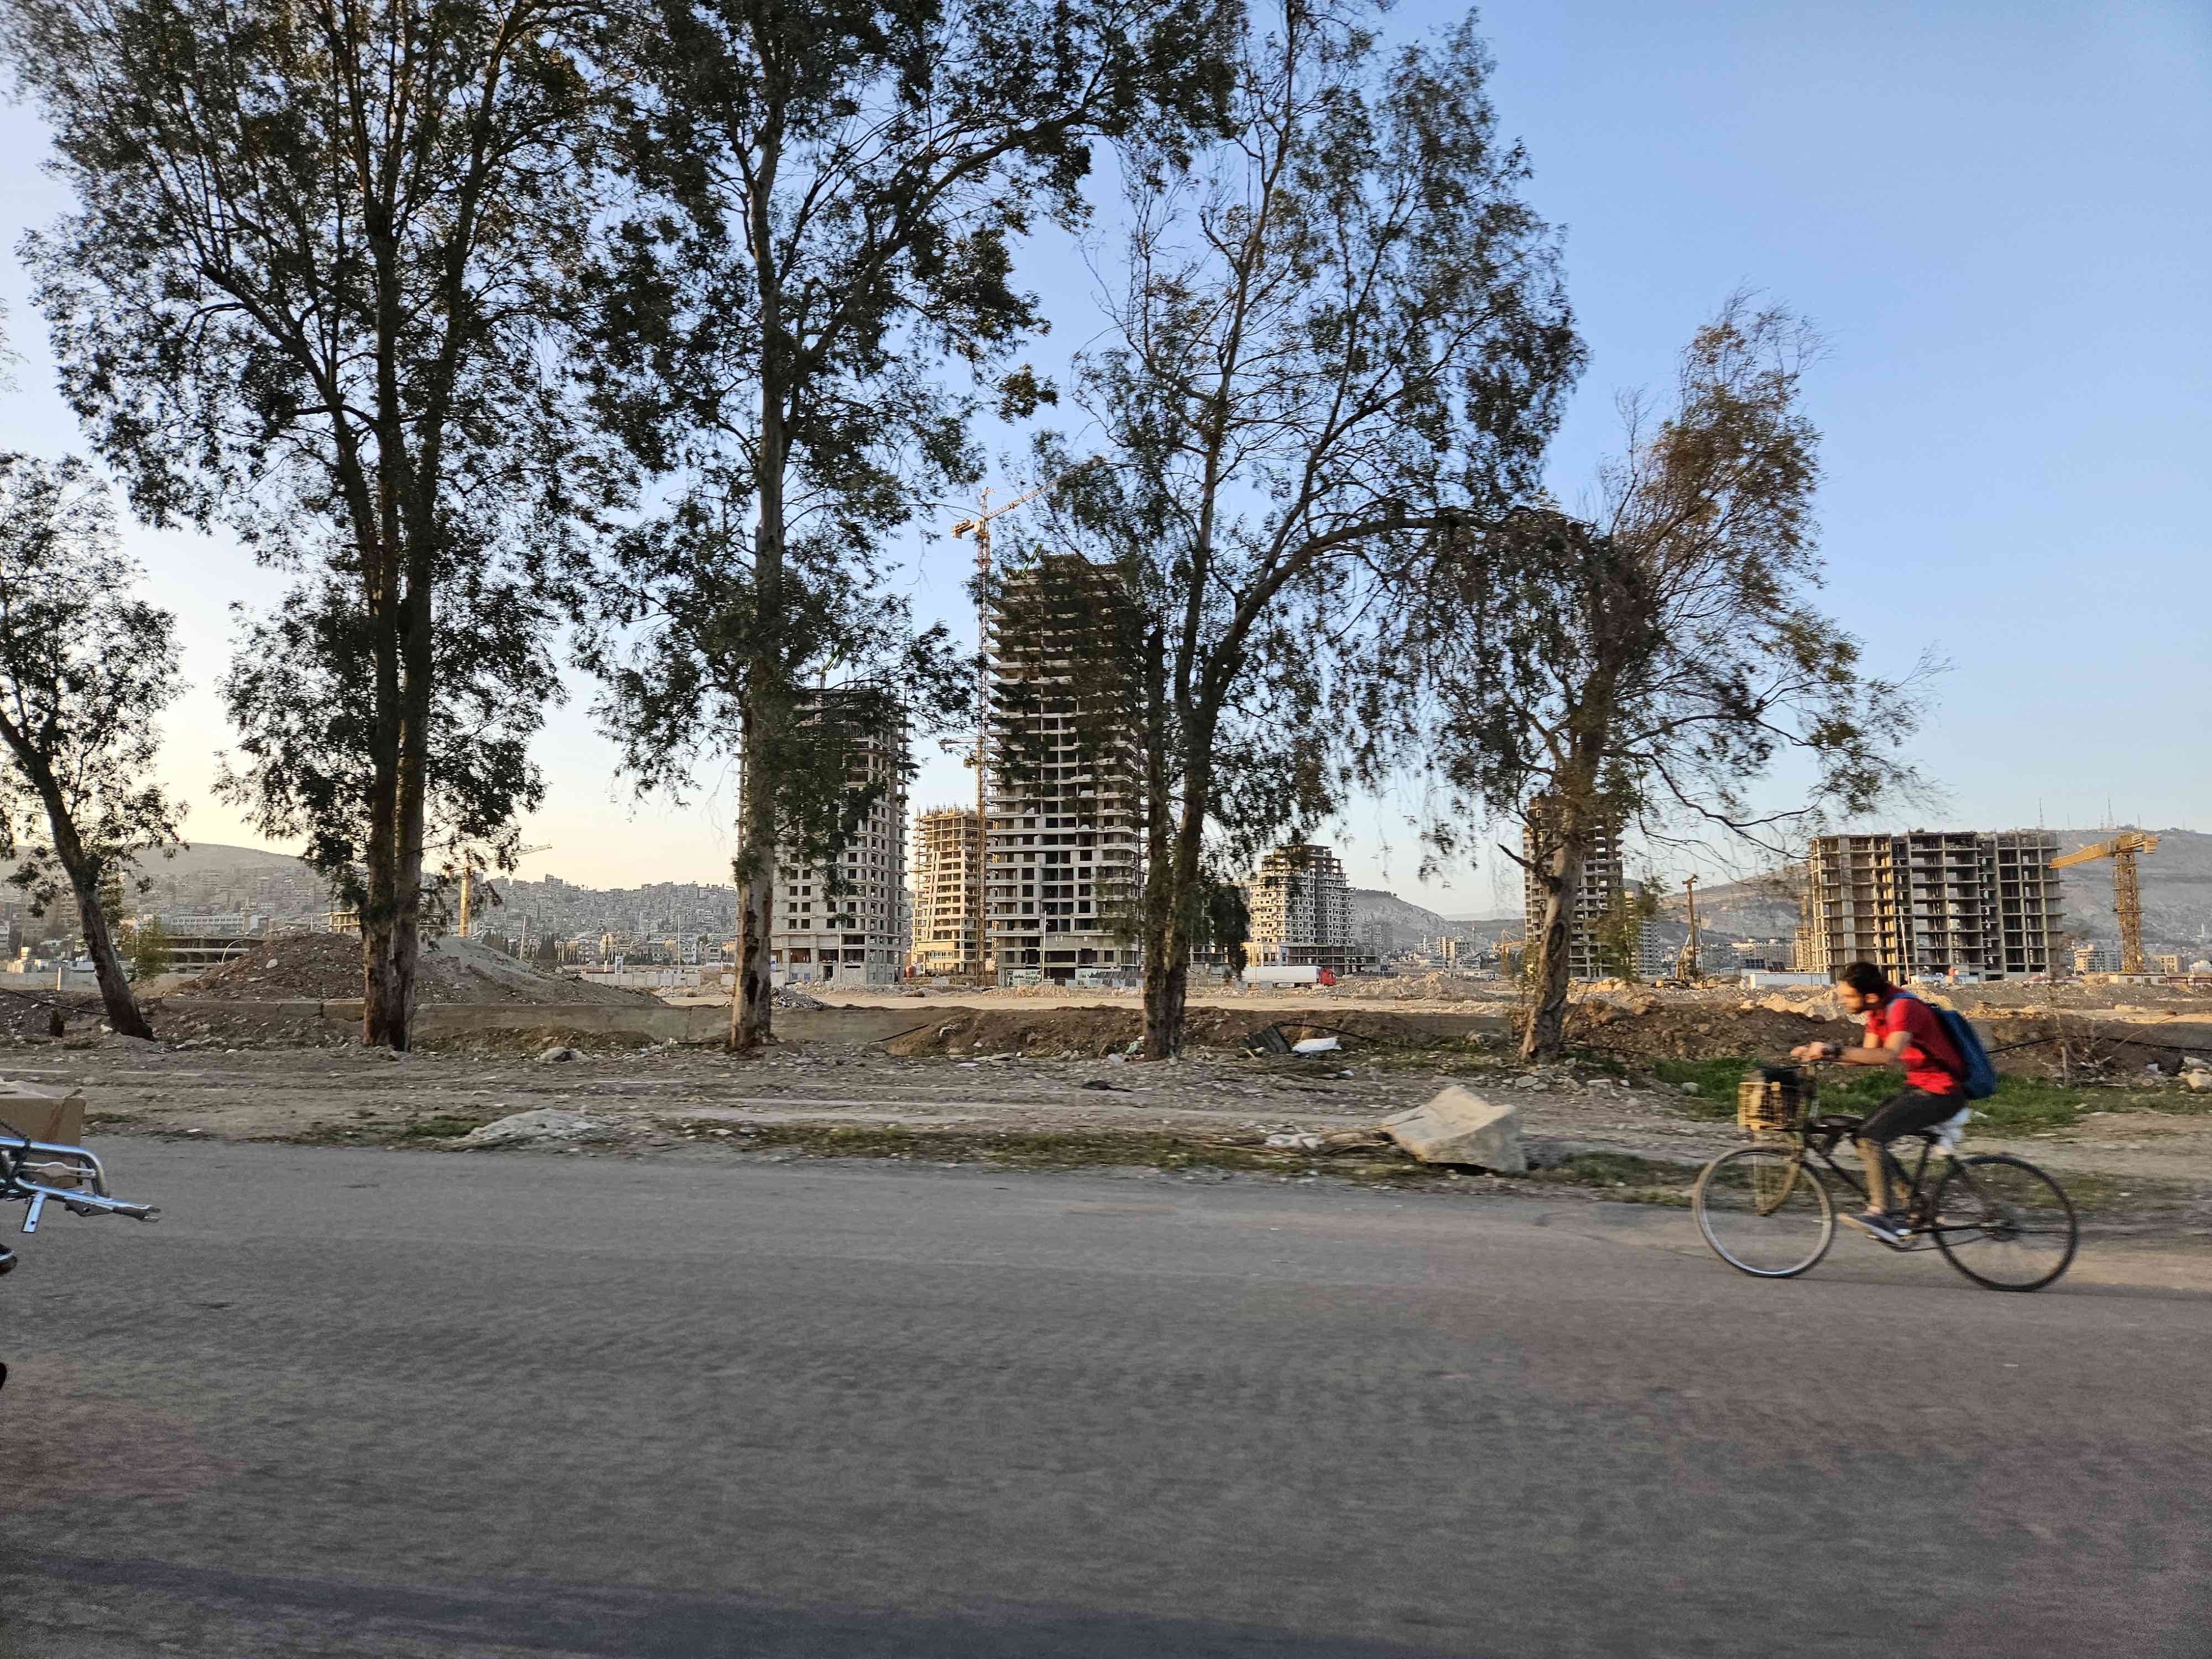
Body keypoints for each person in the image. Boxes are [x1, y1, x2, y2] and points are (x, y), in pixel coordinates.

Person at [1789, 961, 1965, 1244]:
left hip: (1943, 1092)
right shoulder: (1877, 1012)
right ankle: (1916, 1206)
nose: (1841, 1002)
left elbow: (1889, 1056)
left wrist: (1833, 1050)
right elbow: (1867, 1055)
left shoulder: (1902, 1009)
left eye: (1848, 997)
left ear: (1869, 996)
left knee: (1872, 1137)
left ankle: (1881, 1214)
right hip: (1921, 1086)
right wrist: (1819, 1053)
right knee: (1862, 1136)